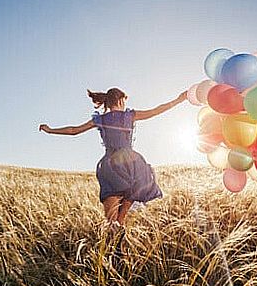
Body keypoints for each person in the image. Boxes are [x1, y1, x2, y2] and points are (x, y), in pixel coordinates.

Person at [39, 87, 187, 232]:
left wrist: (50, 130)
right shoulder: (130, 116)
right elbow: (156, 111)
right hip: (131, 162)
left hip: (110, 164)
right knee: (138, 185)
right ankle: (121, 220)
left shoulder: (101, 119)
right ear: (121, 100)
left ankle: (114, 228)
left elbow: (74, 131)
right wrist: (179, 100)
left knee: (111, 218)